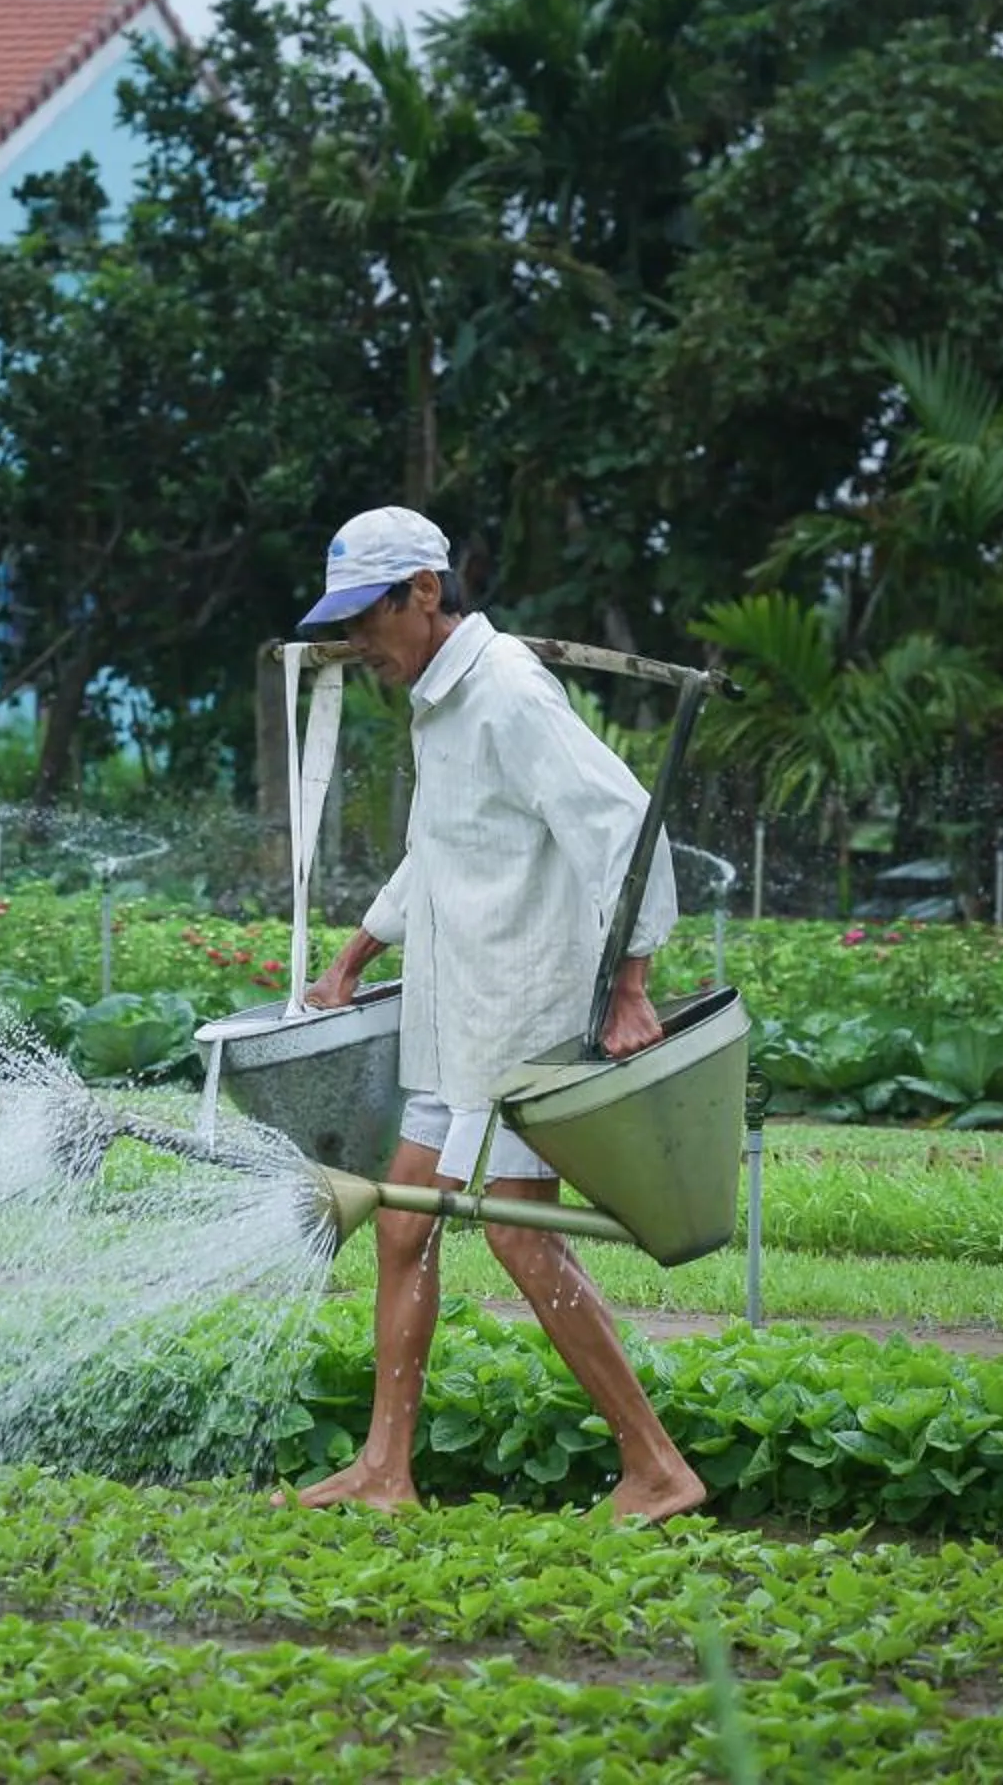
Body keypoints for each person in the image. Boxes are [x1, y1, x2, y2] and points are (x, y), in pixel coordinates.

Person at [285, 505, 708, 1526]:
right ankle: (386, 1469)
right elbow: (440, 847)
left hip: (521, 1020)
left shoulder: (508, 690)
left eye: (369, 616)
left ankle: (657, 1466)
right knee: (403, 1227)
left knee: (521, 1238)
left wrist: (631, 984)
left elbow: (624, 826)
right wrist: (352, 957)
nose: (358, 641)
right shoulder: (440, 701)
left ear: (425, 592)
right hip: (458, 1019)